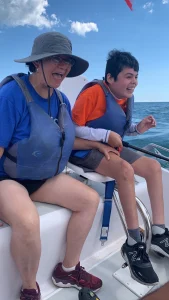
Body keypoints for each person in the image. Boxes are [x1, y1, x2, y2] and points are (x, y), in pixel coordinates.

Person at [0, 32, 105, 300]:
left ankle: (67, 270)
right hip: (8, 179)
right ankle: (29, 288)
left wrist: (96, 145)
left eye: (67, 61)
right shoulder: (12, 95)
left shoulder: (61, 101)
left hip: (44, 177)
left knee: (90, 200)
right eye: (56, 59)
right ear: (37, 63)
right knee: (26, 220)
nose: (64, 66)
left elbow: (62, 141)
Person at [70, 50, 169, 286]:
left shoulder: (125, 98)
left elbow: (120, 130)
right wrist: (105, 135)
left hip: (112, 148)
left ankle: (159, 233)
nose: (133, 81)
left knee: (154, 167)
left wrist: (139, 128)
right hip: (85, 150)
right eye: (128, 76)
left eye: (135, 76)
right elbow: (73, 128)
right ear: (110, 78)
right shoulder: (94, 93)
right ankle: (134, 244)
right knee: (125, 171)